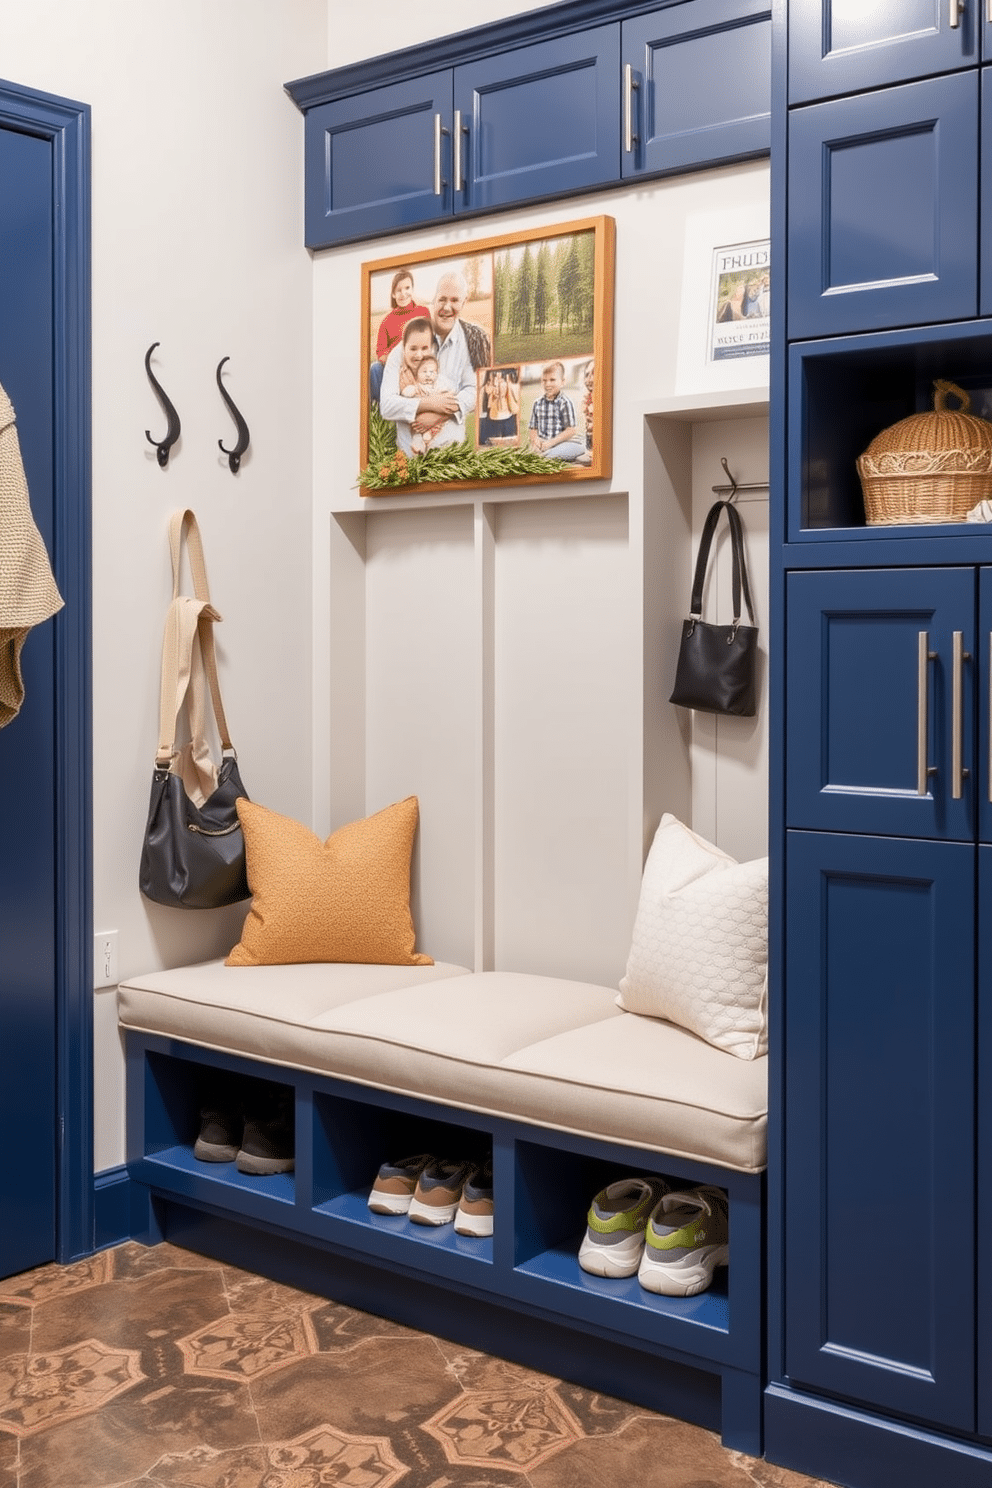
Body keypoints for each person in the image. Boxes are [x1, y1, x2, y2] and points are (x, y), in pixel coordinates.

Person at [379, 269, 491, 446]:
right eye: (442, 299)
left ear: (464, 302)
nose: (447, 307)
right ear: (434, 299)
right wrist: (427, 403)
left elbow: (473, 392)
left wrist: (438, 413)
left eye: (454, 300)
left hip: (451, 454)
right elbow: (386, 405)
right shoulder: (408, 345)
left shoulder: (470, 343)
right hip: (410, 457)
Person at [369, 268, 430, 405]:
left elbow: (431, 340)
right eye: (398, 290)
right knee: (375, 368)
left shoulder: (423, 312)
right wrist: (397, 363)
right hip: (395, 365)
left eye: (407, 288)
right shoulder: (387, 321)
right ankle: (382, 408)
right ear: (393, 294)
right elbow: (381, 351)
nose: (403, 293)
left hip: (419, 360)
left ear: (412, 289)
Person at [400, 350, 458, 454]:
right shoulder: (418, 387)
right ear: (417, 374)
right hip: (419, 417)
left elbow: (450, 392)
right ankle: (419, 442)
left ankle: (430, 444)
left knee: (439, 431)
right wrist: (408, 391)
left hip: (435, 420)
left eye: (432, 372)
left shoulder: (438, 386)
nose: (428, 375)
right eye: (424, 372)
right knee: (415, 427)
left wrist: (448, 393)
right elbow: (407, 392)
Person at [528, 361, 585, 462]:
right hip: (545, 444)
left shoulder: (565, 402)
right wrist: (535, 441)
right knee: (532, 449)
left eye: (552, 380)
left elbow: (571, 430)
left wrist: (551, 443)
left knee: (573, 449)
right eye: (544, 380)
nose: (547, 384)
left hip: (564, 443)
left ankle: (546, 457)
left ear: (562, 382)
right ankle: (546, 456)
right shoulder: (537, 403)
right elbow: (533, 428)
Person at [478, 367, 519, 446]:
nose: (496, 386)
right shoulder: (483, 423)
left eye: (500, 381)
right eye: (491, 382)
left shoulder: (514, 421)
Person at [575, 358, 594, 466]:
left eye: (594, 373)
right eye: (586, 375)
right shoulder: (588, 398)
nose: (589, 380)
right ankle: (590, 451)